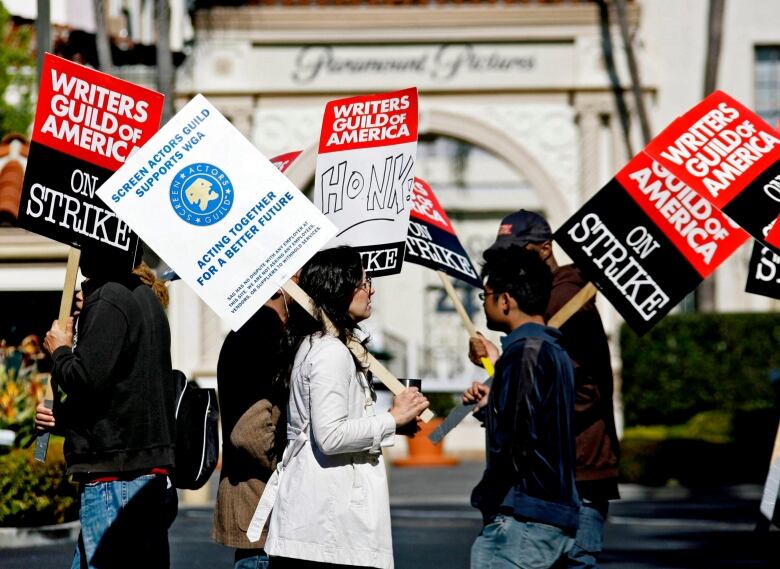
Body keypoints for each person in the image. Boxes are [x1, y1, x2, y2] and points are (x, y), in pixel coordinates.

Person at [466, 210, 621, 568]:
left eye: (522, 250)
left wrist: (502, 397)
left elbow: (579, 393)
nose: (515, 260)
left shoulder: (565, 303)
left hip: (571, 476)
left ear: (547, 248)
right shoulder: (544, 320)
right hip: (563, 482)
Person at [257, 246, 429, 568]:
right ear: (340, 286)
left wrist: (395, 423)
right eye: (364, 282)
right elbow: (331, 435)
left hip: (320, 523)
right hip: (326, 526)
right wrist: (391, 419)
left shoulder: (322, 346)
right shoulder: (329, 352)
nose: (371, 289)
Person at [35, 245, 177, 569]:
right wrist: (61, 419)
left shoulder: (110, 298)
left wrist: (59, 351)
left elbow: (85, 380)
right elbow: (116, 398)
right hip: (136, 474)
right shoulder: (143, 299)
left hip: (116, 479)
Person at [468, 246, 579, 569]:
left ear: (506, 300)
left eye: (485, 295)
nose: (485, 304)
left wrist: (487, 494)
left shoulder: (523, 355)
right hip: (552, 513)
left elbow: (518, 437)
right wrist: (491, 405)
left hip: (523, 516)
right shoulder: (553, 349)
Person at [211, 290, 290, 569]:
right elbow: (249, 433)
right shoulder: (260, 330)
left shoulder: (255, 328)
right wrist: (290, 469)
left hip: (258, 508)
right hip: (260, 507)